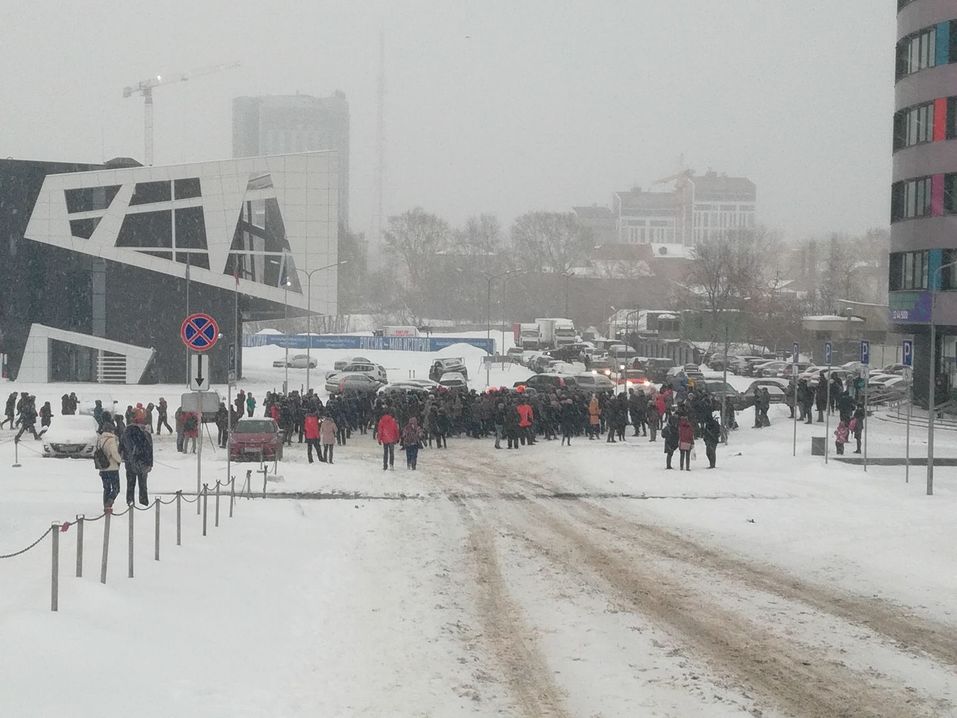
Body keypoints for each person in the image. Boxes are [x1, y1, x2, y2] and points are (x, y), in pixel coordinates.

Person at [94, 415, 123, 512]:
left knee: (106, 487)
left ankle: (105, 506)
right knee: (116, 488)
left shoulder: (99, 439)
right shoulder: (111, 440)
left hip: (102, 467)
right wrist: (120, 460)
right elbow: (114, 452)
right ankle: (109, 503)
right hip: (112, 467)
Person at [120, 423, 153, 506]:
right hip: (142, 462)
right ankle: (143, 501)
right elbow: (149, 450)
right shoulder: (145, 435)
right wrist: (150, 463)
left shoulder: (125, 435)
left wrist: (125, 457)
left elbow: (120, 449)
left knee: (130, 484)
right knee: (143, 484)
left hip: (129, 463)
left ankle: (130, 501)